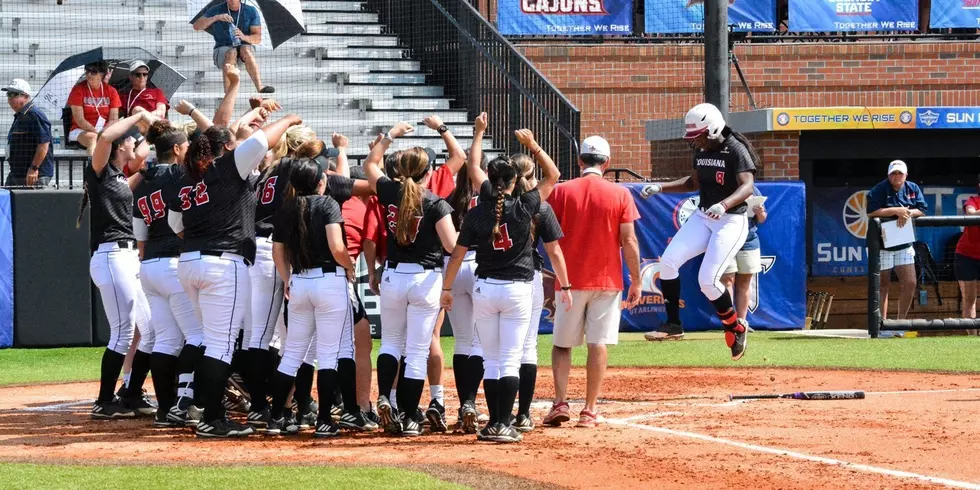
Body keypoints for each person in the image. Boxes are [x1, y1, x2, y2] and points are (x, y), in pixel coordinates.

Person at [166, 113, 301, 438]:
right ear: (224, 147)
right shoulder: (226, 166)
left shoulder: (186, 178)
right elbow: (259, 140)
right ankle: (212, 419)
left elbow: (175, 226)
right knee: (222, 345)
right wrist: (290, 119)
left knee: (215, 342)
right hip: (223, 263)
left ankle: (209, 411)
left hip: (189, 263)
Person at [441, 127, 566, 443]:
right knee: (511, 358)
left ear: (489, 180)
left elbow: (456, 256)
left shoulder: (478, 210)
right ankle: (504, 424)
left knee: (492, 359)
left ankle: (494, 423)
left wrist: (446, 288)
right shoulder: (526, 206)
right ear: (514, 182)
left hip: (485, 288)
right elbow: (554, 174)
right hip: (518, 288)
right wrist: (534, 145)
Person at [640, 103, 756, 363]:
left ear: (713, 129)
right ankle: (673, 324)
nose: (697, 142)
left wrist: (724, 203)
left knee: (708, 280)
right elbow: (692, 182)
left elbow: (748, 186)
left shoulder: (735, 148)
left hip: (730, 220)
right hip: (705, 215)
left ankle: (736, 327)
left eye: (700, 135)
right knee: (668, 262)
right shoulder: (702, 150)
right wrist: (660, 187)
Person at [363, 122, 457, 437]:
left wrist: (390, 135)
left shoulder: (390, 191)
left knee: (390, 343)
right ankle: (409, 417)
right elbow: (451, 246)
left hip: (393, 275)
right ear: (427, 172)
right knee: (416, 350)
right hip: (425, 279)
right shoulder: (435, 202)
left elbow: (370, 164)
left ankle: (385, 397)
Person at [542, 134, 641, 429]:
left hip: (569, 280)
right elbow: (629, 240)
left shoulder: (562, 191)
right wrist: (636, 279)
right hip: (607, 280)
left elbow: (550, 237)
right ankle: (590, 409)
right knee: (598, 344)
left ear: (580, 160)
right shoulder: (620, 193)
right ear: (607, 163)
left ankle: (560, 402)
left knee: (562, 345)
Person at [266, 158, 358, 437]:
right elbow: (336, 246)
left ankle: (275, 418)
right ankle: (324, 421)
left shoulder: (287, 207)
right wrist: (350, 265)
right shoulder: (327, 203)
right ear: (320, 181)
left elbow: (277, 252)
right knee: (328, 354)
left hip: (300, 281)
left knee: (293, 353)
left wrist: (286, 279)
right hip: (329, 279)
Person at [80, 111, 155, 419]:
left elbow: (141, 160)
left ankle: (132, 392)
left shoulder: (120, 177)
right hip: (110, 255)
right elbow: (106, 137)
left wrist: (154, 133)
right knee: (122, 332)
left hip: (127, 257)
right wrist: (137, 115)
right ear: (121, 146)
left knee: (150, 330)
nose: (133, 144)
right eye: (131, 141)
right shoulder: (99, 170)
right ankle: (104, 400)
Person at [132, 120, 203, 428]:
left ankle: (165, 410)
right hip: (174, 262)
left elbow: (140, 234)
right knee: (198, 336)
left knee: (165, 340)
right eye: (185, 146)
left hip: (149, 266)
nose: (188, 150)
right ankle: (185, 403)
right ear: (176, 149)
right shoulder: (178, 174)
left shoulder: (142, 179)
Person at [687, 186, 766, 340]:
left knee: (745, 281)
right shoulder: (719, 189)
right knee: (727, 280)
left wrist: (760, 212)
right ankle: (730, 324)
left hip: (748, 240)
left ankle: (742, 322)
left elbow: (762, 219)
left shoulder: (752, 189)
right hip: (725, 239)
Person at [866, 160, 927, 320]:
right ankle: (881, 324)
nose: (897, 176)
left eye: (900, 173)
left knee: (910, 282)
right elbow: (871, 212)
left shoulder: (912, 188)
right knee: (882, 285)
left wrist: (906, 213)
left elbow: (922, 209)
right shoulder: (879, 189)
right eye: (893, 173)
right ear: (888, 175)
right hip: (882, 245)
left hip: (904, 243)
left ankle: (900, 322)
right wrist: (895, 211)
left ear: (906, 175)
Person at [193, 0, 274, 94]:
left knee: (246, 50)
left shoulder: (251, 10)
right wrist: (216, 18)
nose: (231, 0)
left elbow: (257, 38)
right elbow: (196, 26)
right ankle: (228, 94)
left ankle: (260, 88)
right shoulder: (217, 9)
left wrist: (244, 37)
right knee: (231, 53)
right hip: (222, 52)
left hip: (244, 54)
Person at [3, 79, 53, 188]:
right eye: (8, 94)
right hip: (17, 173)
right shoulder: (20, 115)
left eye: (14, 94)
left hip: (33, 175)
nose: (10, 98)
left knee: (32, 205)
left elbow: (44, 144)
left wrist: (34, 168)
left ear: (26, 96)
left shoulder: (34, 115)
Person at [68, 61, 121, 155]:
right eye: (87, 71)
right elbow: (79, 119)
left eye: (93, 72)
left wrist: (103, 133)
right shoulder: (78, 89)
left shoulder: (111, 91)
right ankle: (93, 169)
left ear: (102, 74)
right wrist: (97, 132)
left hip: (104, 130)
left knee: (121, 140)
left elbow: (113, 119)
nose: (89, 74)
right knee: (93, 138)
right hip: (80, 130)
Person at [955, 173, 980, 334]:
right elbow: (971, 213)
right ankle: (972, 339)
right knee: (969, 299)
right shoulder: (973, 200)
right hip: (967, 255)